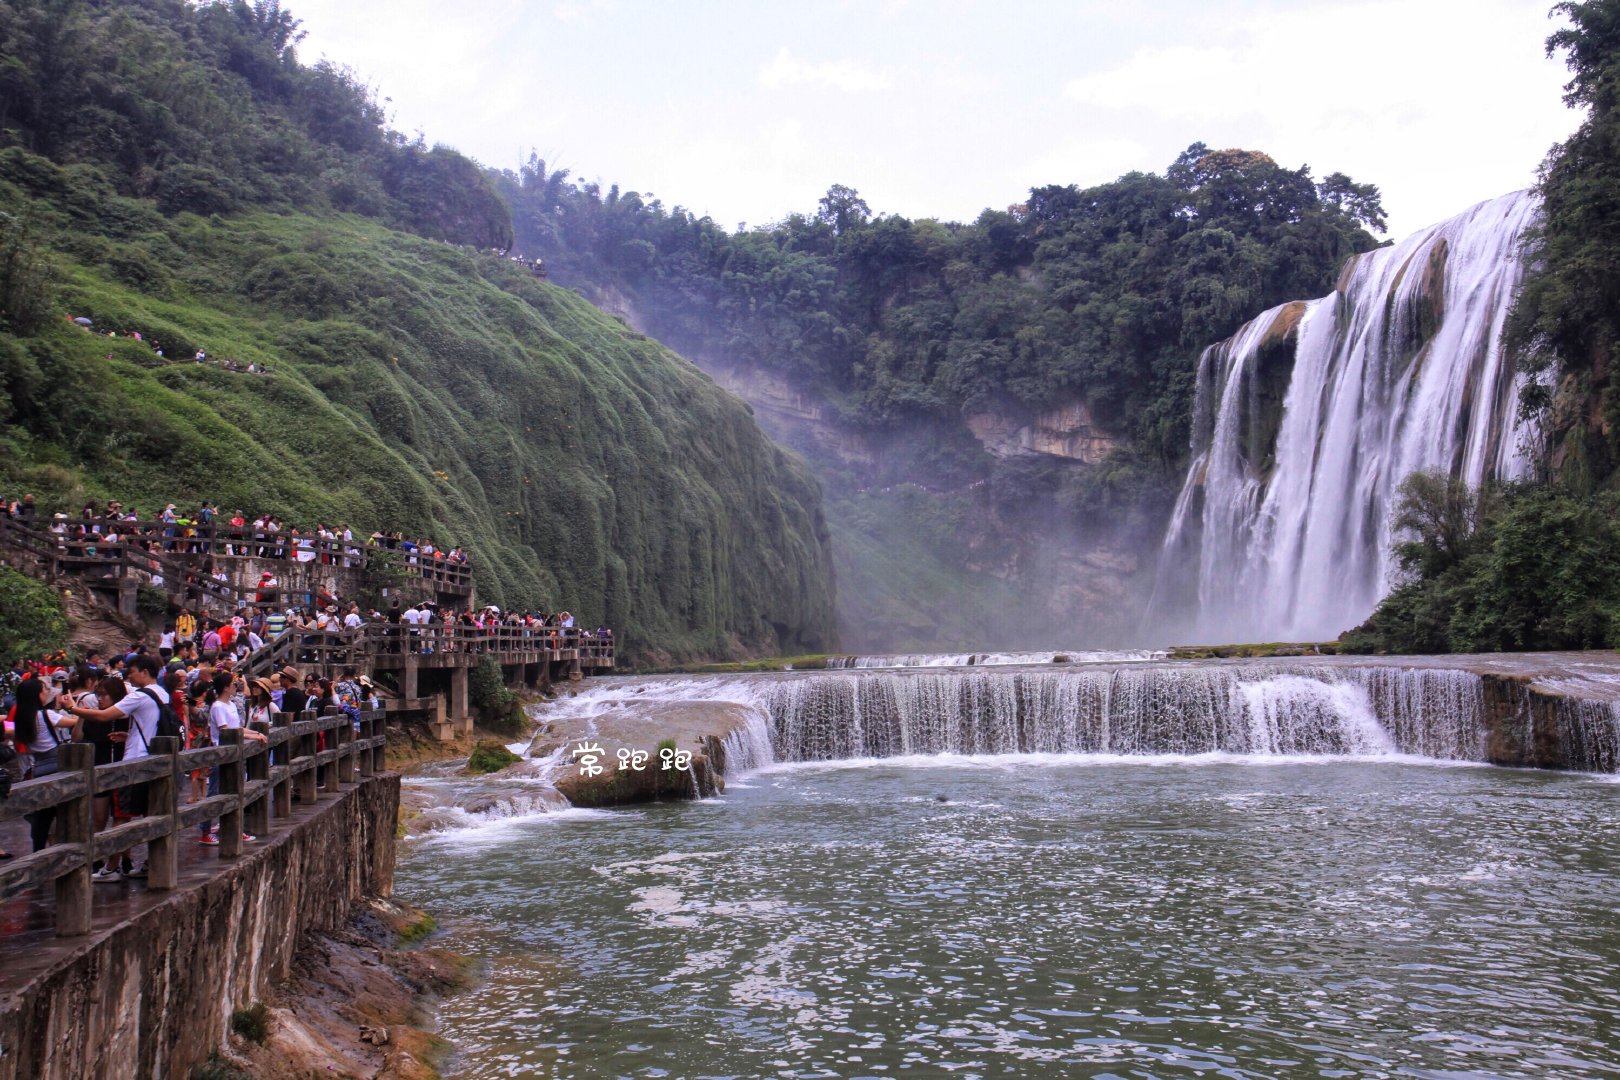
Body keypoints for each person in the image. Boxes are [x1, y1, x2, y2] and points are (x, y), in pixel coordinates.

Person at [60, 654, 170, 877]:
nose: (130, 674)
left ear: (145, 672)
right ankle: (153, 863)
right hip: (153, 758)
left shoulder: (140, 696)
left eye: (133, 670)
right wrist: (129, 734)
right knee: (152, 813)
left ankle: (111, 868)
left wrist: (73, 708)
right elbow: (150, 724)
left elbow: (103, 716)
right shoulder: (162, 693)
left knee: (122, 816)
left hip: (134, 762)